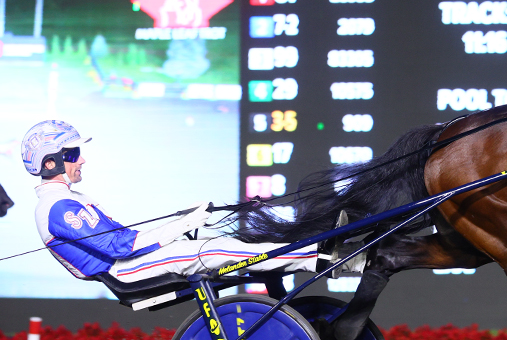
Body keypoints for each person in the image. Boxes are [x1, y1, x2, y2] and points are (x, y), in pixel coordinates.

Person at [23, 120, 317, 283]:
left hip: (129, 264)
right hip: (123, 271)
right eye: (72, 154)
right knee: (212, 250)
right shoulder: (57, 207)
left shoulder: (68, 199)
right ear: (50, 163)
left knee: (219, 244)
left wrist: (182, 222)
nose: (82, 160)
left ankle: (309, 255)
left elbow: (123, 241)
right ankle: (315, 257)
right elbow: (121, 247)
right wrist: (185, 224)